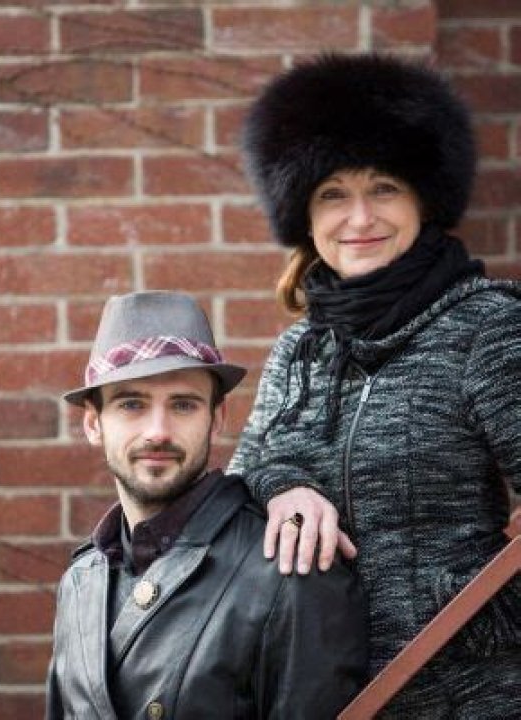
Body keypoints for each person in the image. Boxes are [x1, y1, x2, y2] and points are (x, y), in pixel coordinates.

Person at [229, 53, 521, 718]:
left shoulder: (489, 327)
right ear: (304, 215)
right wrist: (284, 484)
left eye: (383, 188)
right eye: (333, 194)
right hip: (320, 696)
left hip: (468, 698)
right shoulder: (299, 351)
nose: (360, 218)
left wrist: (480, 617)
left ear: (424, 199)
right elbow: (241, 487)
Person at [46, 290, 367, 719]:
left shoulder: (290, 569)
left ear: (216, 420)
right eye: (132, 404)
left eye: (183, 405)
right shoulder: (81, 580)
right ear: (93, 424)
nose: (158, 431)